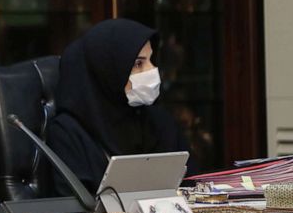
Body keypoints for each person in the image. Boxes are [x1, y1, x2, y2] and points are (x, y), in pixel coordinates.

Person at [45, 18, 189, 197]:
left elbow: (191, 185)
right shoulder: (67, 133)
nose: (152, 70)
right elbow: (70, 212)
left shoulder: (158, 120)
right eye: (138, 64)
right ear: (108, 71)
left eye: (151, 60)